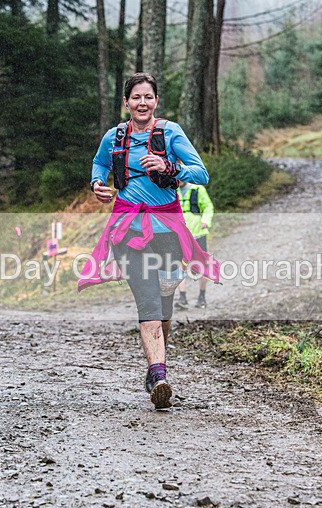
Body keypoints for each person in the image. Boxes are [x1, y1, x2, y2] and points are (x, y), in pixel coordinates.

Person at [77, 72, 220, 410]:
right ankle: (159, 375)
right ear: (126, 102)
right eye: (136, 97)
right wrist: (97, 183)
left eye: (148, 97)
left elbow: (201, 174)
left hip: (168, 227)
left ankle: (156, 366)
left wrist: (170, 166)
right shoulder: (114, 136)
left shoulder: (170, 133)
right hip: (128, 227)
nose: (142, 103)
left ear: (156, 101)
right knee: (148, 299)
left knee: (166, 298)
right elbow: (99, 164)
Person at [175, 180, 214, 309]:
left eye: (180, 177)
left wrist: (206, 220)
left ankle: (202, 297)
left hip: (198, 232)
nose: (178, 180)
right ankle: (182, 297)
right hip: (180, 233)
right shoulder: (174, 190)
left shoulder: (198, 189)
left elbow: (208, 206)